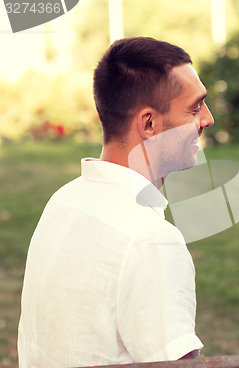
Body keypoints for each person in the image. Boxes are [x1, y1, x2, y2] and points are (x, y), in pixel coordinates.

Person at [18, 37, 214, 367]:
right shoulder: (151, 238)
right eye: (195, 108)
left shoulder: (64, 201)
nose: (207, 119)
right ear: (149, 123)